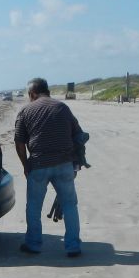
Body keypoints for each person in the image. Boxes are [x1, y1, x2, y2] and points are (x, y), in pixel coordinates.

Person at [14, 77, 84, 257]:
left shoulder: (26, 110)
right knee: (70, 205)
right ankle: (73, 246)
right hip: (64, 163)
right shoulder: (62, 108)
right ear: (48, 91)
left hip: (38, 164)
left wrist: (25, 165)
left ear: (32, 93)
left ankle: (33, 244)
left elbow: (19, 142)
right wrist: (76, 162)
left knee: (34, 206)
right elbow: (78, 135)